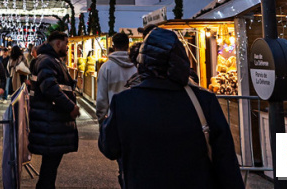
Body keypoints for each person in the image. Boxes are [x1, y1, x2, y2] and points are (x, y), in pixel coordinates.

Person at [98, 28, 243, 189]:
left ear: (143, 62)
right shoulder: (203, 101)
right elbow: (226, 163)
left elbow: (109, 148)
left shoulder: (124, 102)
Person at [29, 31, 79, 189]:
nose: (67, 47)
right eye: (66, 43)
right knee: (49, 168)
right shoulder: (48, 61)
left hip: (51, 121)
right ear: (58, 43)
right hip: (51, 121)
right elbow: (50, 87)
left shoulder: (50, 60)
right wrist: (70, 106)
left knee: (49, 168)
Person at [96, 32, 137, 124]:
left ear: (113, 46)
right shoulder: (136, 66)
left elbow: (101, 98)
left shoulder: (106, 67)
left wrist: (101, 119)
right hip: (134, 118)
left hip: (114, 118)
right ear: (128, 45)